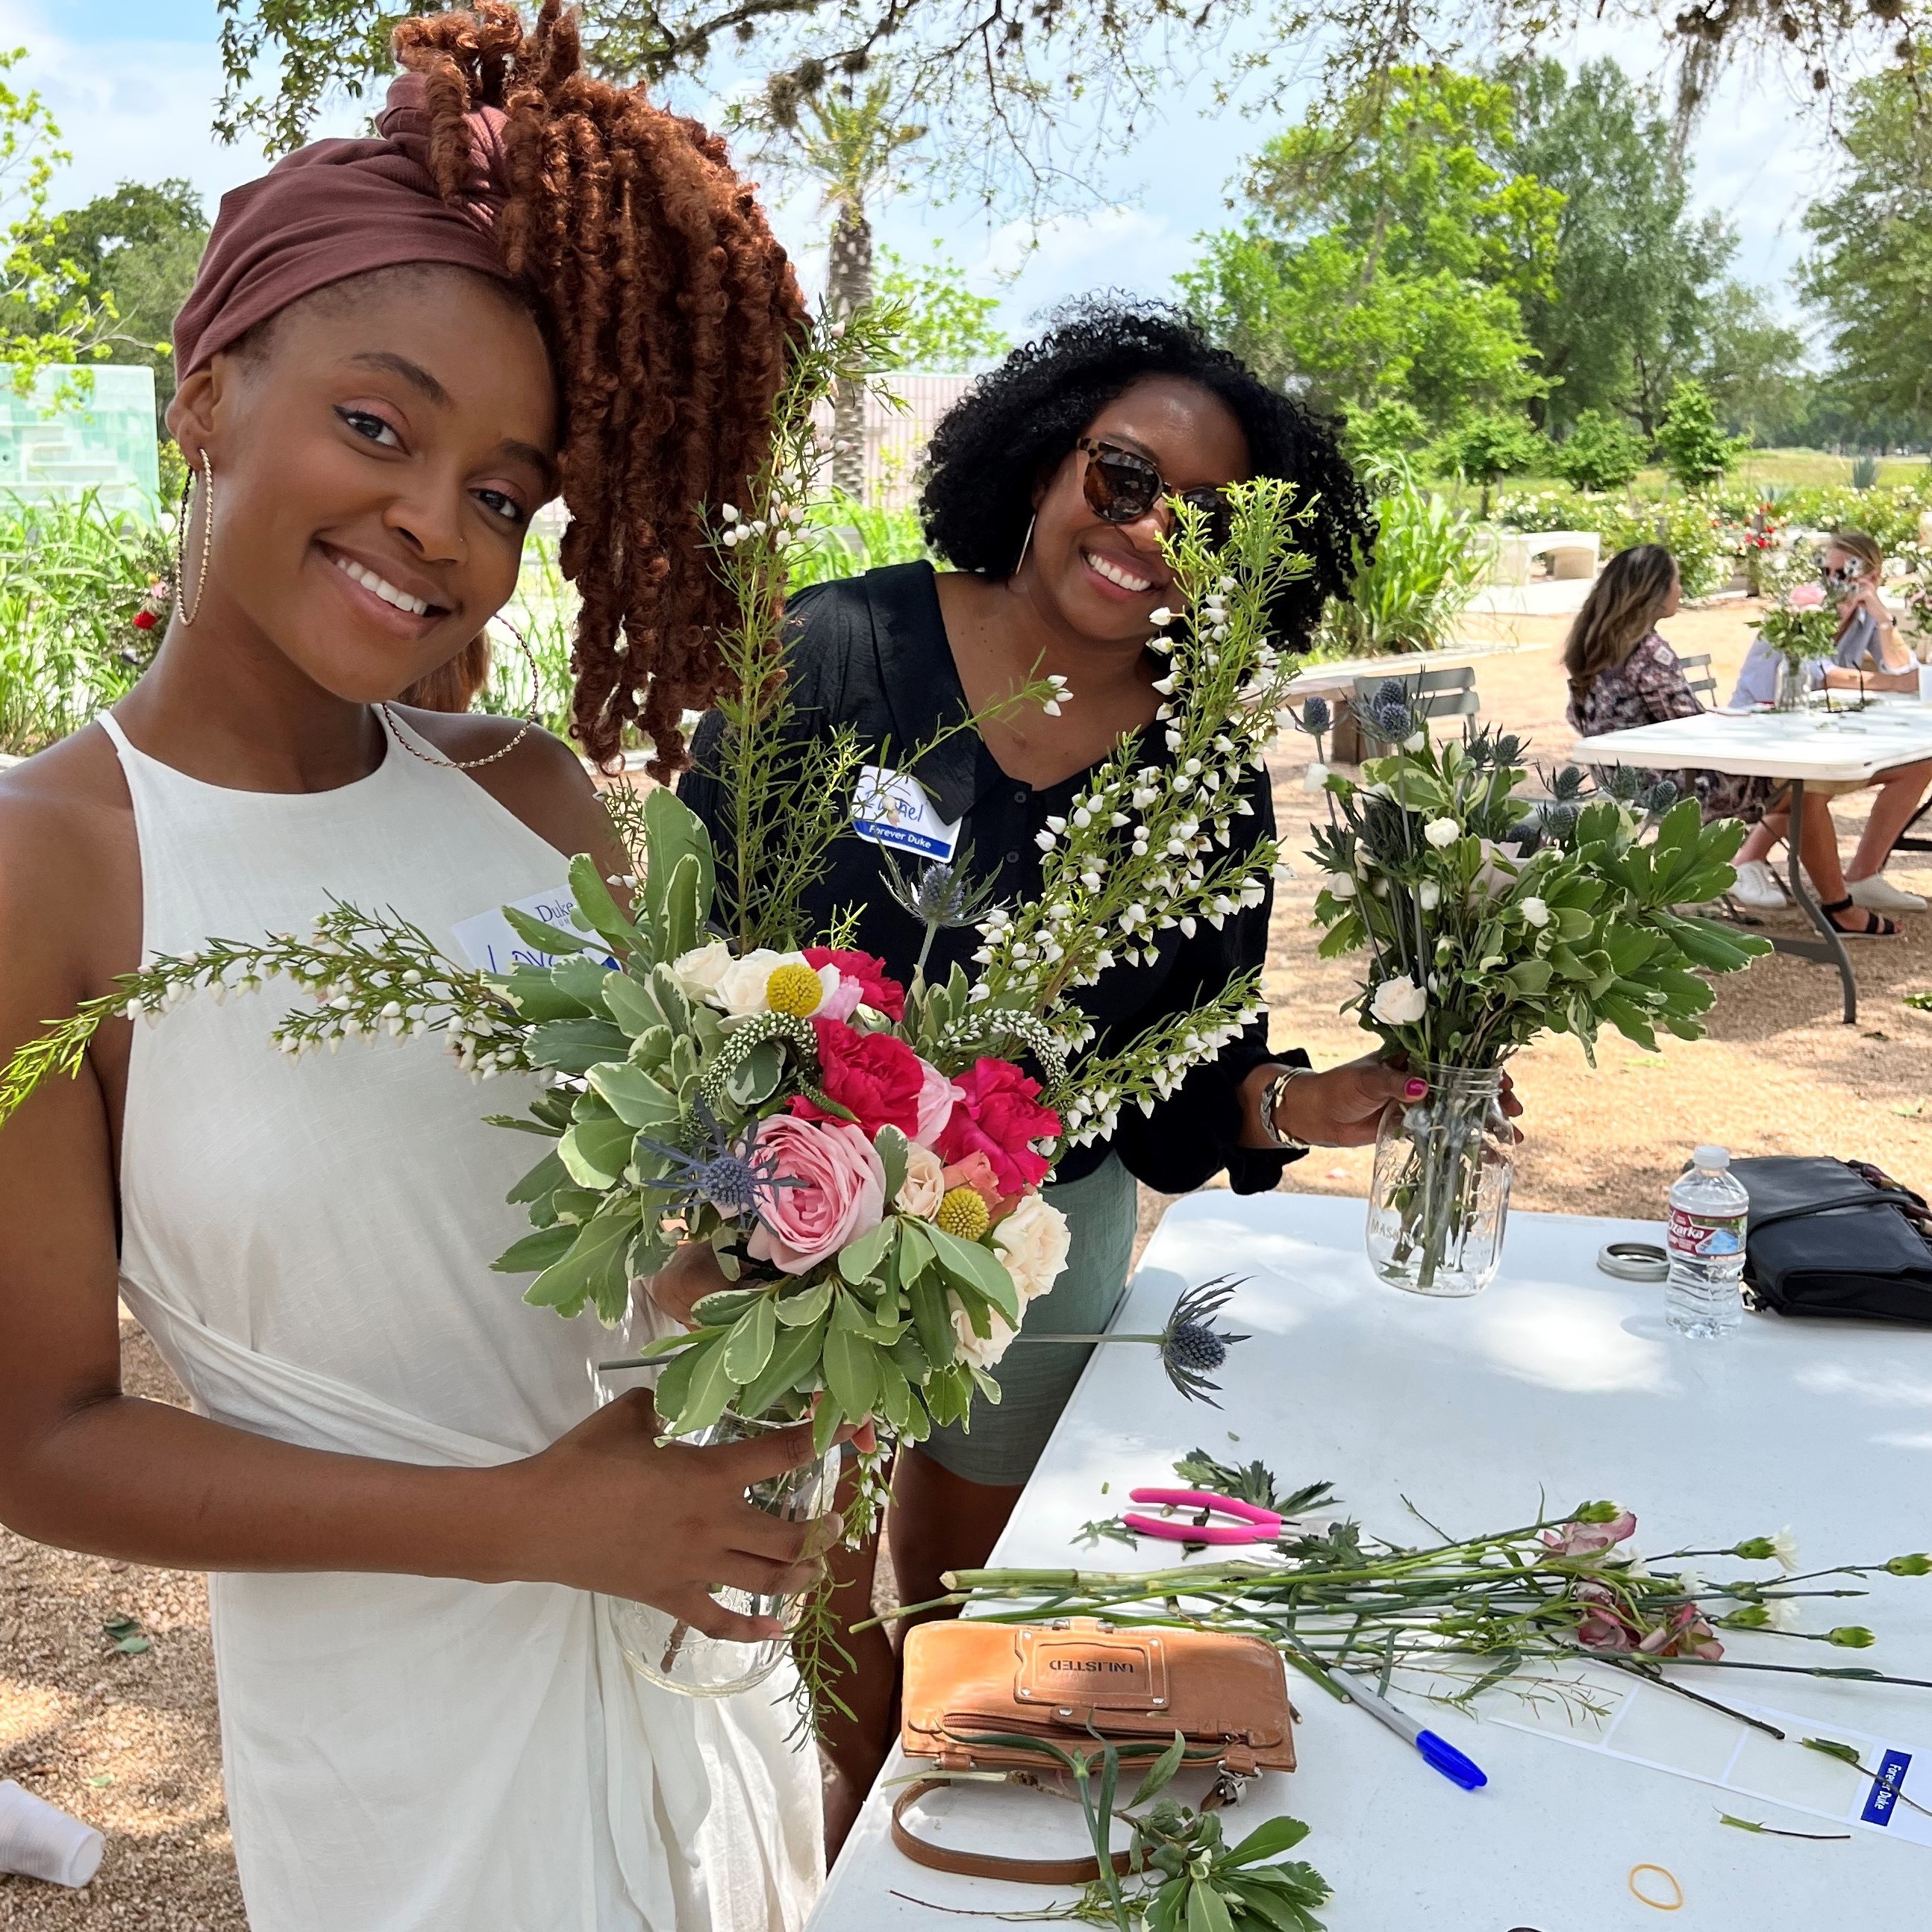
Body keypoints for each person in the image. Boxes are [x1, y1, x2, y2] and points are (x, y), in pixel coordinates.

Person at [0, 7, 837, 1929]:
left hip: (689, 1649)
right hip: (405, 1707)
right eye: (377, 425)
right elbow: (39, 1440)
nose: (432, 526)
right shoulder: (48, 864)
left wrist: (796, 1283)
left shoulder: (532, 794)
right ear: (204, 393)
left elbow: (654, 1212)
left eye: (501, 491)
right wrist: (536, 1522)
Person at [674, 301, 1519, 1845]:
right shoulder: (836, 650)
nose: (1144, 537)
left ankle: (920, 1839)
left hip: (1040, 1243)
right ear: (1043, 458)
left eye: (1208, 527)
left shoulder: (1199, 781)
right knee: (802, 1568)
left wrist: (1302, 1104)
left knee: (962, 1594)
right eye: (1122, 479)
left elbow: (1178, 1094)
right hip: (791, 1220)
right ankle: (856, 1840)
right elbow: (697, 935)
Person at [1566, 543, 1899, 937]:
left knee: (1797, 791)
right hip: (1670, 785)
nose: (1681, 591)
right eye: (1676, 582)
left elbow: (1584, 718)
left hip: (1618, 776)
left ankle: (1777, 876)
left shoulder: (1593, 645)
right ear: (1654, 592)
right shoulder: (1649, 652)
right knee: (1804, 790)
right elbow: (1690, 727)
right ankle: (1836, 907)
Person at [1728, 530, 1932, 914]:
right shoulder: (1803, 607)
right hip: (1759, 728)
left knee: (1920, 765)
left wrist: (1883, 619)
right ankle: (1746, 861)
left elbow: (1908, 671)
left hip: (1817, 726)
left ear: (1871, 575)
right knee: (1810, 781)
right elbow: (1821, 673)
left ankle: (1864, 875)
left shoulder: (1865, 616)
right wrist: (1894, 682)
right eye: (1828, 572)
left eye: (1846, 573)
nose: (1834, 582)